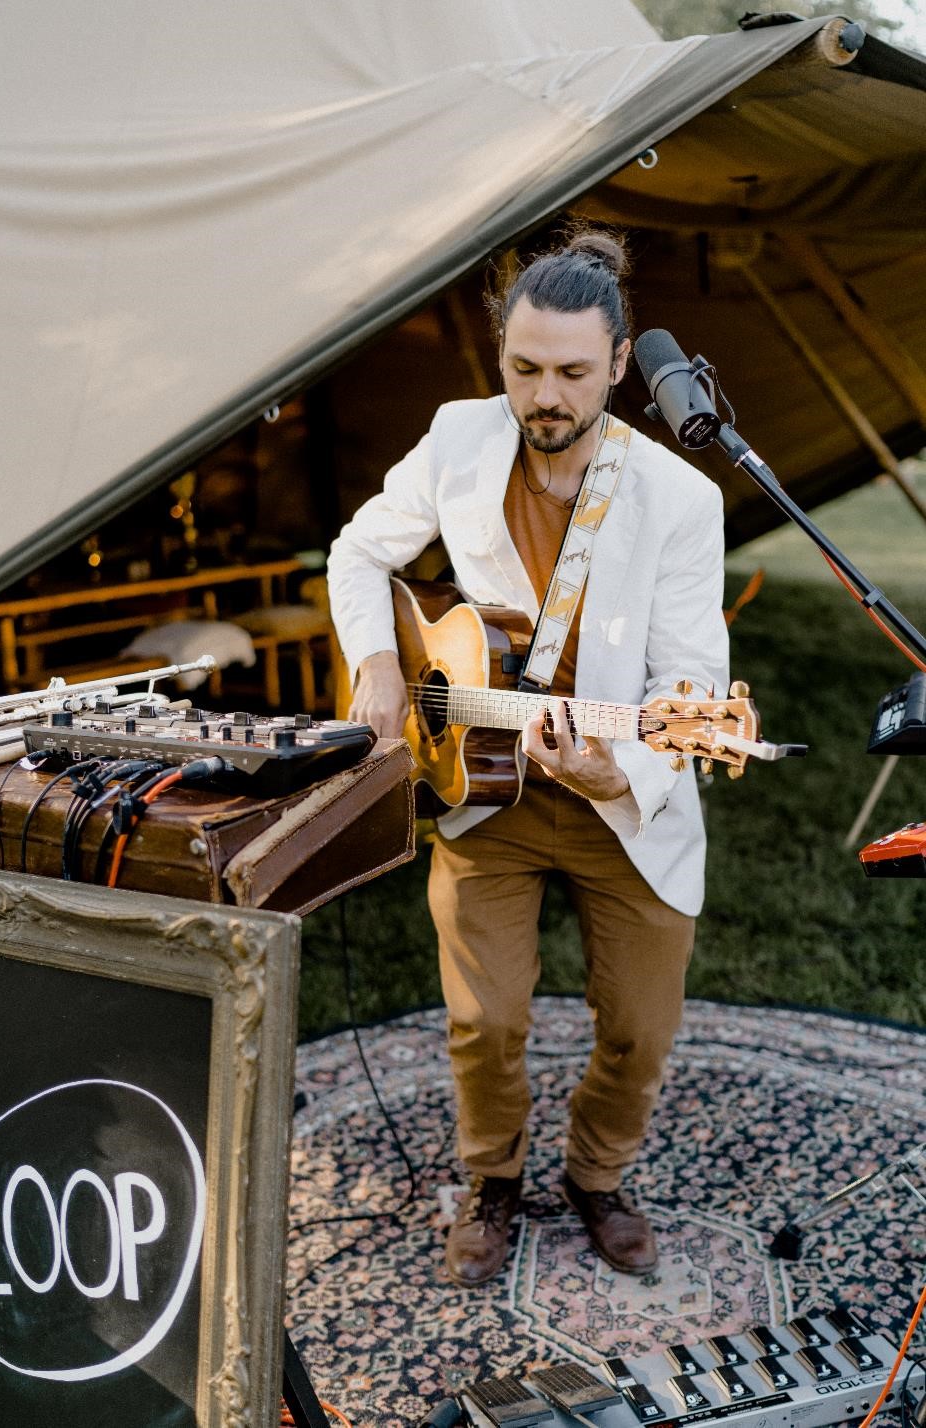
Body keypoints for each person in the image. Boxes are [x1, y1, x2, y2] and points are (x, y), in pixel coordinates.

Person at [326, 229, 729, 1288]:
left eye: (573, 373)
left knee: (639, 1029)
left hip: (620, 797)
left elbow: (691, 681)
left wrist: (614, 771)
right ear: (499, 352)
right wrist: (379, 664)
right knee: (484, 1020)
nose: (545, 396)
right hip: (483, 789)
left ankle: (598, 1177)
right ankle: (493, 1178)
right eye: (524, 367)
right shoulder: (457, 436)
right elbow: (358, 553)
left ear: (622, 360)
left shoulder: (682, 500)